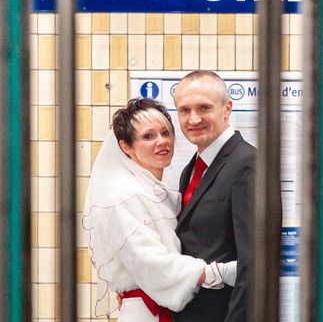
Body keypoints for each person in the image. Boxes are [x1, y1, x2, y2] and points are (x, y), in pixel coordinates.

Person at [82, 98, 236, 322]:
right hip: (146, 313)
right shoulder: (120, 195)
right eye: (148, 136)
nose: (162, 142)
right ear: (126, 146)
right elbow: (149, 262)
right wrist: (216, 273)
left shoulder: (167, 187)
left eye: (166, 133)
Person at [173, 70, 255, 322]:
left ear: (227, 109)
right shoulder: (192, 169)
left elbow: (254, 265)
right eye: (184, 110)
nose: (193, 119)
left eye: (204, 108)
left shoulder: (247, 163)